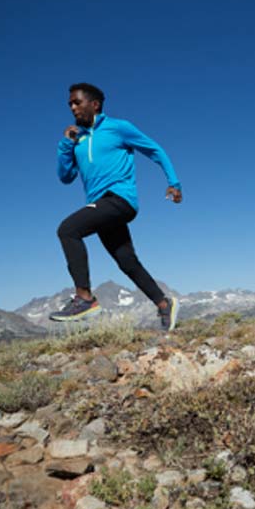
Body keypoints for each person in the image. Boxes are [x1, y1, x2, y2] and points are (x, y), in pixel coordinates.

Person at [50, 82, 182, 331]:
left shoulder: (118, 128)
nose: (72, 108)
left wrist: (173, 182)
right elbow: (65, 177)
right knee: (127, 261)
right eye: (70, 104)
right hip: (100, 205)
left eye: (77, 102)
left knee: (68, 230)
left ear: (94, 104)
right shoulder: (77, 139)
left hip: (119, 200)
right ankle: (164, 304)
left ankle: (84, 298)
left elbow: (155, 150)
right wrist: (65, 145)